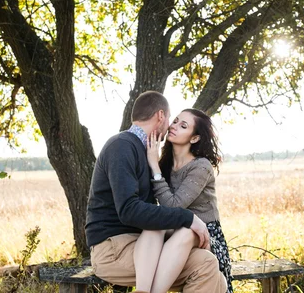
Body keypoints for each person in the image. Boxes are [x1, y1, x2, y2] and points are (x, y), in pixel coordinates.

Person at [85, 91, 227, 293]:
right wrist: (187, 218)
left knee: (207, 263)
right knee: (204, 266)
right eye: (171, 119)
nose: (171, 125)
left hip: (141, 242)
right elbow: (129, 210)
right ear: (161, 116)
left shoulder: (146, 152)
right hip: (113, 248)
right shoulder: (121, 146)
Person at [135, 108, 234, 293]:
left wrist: (153, 165)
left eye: (183, 126)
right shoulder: (165, 163)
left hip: (206, 232)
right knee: (153, 225)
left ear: (194, 138)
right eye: (175, 121)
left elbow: (173, 206)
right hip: (178, 227)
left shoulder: (201, 166)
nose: (174, 126)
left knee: (186, 232)